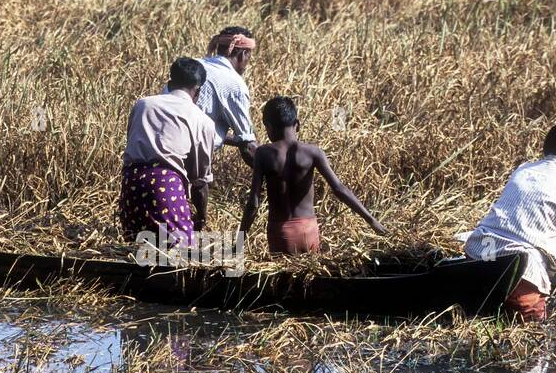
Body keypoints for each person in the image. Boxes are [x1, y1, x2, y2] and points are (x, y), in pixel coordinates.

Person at [463, 120, 556, 322]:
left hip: (478, 253)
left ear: (545, 148)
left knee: (478, 305)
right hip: (520, 270)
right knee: (534, 326)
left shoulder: (524, 171)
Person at [238, 96, 387, 255]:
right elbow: (339, 189)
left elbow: (254, 202)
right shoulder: (313, 152)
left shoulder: (263, 153)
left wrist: (239, 242)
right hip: (308, 231)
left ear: (268, 126)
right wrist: (372, 220)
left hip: (281, 233)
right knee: (310, 278)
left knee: (285, 279)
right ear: (298, 125)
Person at [119, 57, 218, 246]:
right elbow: (199, 182)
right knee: (180, 254)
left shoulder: (143, 105)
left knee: (138, 249)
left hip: (131, 184)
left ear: (170, 83)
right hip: (165, 186)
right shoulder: (202, 121)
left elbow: (131, 140)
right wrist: (201, 217)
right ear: (198, 91)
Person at [174, 26, 259, 168]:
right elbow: (248, 146)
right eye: (249, 56)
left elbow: (188, 123)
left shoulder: (190, 67)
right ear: (243, 54)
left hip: (155, 146)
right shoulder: (235, 84)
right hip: (188, 158)